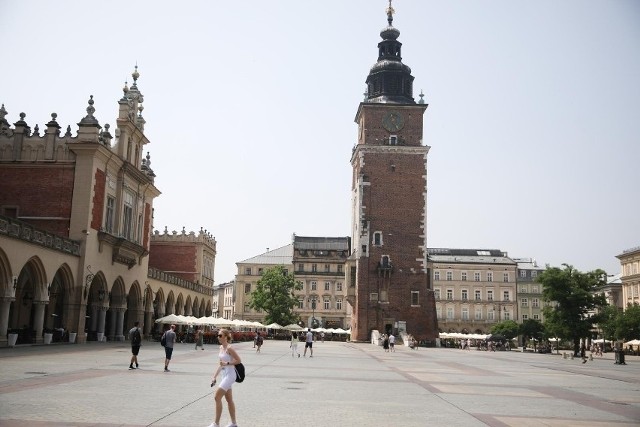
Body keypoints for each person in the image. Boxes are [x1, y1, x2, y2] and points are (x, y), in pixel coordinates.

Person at [209, 328, 241, 427]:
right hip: (224, 375)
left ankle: (216, 423)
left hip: (230, 375)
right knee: (229, 400)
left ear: (226, 337)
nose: (218, 337)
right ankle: (233, 423)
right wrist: (214, 377)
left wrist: (227, 363)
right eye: (218, 335)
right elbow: (220, 364)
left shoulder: (229, 348)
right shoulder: (221, 348)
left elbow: (239, 360)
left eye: (220, 335)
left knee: (217, 397)